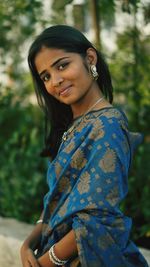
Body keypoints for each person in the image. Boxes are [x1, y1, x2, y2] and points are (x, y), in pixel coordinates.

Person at [20, 25, 148, 267]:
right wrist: (28, 243)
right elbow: (57, 199)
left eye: (62, 65)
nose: (55, 81)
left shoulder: (108, 124)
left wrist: (46, 262)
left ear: (90, 58)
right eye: (45, 76)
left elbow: (96, 218)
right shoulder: (74, 124)